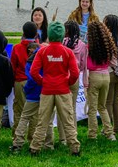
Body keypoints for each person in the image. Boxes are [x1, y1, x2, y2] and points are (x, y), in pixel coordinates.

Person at [28, 22, 81, 156]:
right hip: (63, 90)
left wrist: (43, 81)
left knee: (43, 121)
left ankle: (35, 147)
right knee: (68, 120)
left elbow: (34, 72)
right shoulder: (68, 52)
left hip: (47, 90)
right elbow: (75, 73)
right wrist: (67, 82)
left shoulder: (42, 51)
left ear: (49, 34)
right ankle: (74, 147)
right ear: (62, 35)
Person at [10, 42, 55, 152]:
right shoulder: (47, 57)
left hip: (32, 94)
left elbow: (31, 78)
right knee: (48, 119)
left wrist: (27, 90)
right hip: (47, 92)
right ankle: (49, 144)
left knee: (25, 117)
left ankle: (17, 143)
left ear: (30, 51)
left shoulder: (30, 62)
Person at [83, 20, 118, 141]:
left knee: (92, 109)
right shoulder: (107, 47)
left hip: (94, 76)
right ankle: (110, 133)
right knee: (102, 107)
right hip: (106, 76)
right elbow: (113, 63)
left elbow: (85, 65)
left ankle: (92, 134)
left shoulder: (89, 49)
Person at [59, 20, 88, 143]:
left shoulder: (62, 43)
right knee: (72, 108)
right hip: (75, 78)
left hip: (62, 77)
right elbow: (83, 65)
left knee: (61, 108)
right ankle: (73, 134)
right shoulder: (82, 45)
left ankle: (62, 138)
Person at [10, 21, 39, 141]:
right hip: (34, 81)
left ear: (23, 33)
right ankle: (32, 136)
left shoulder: (17, 48)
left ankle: (17, 136)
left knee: (19, 110)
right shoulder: (39, 49)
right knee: (34, 111)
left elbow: (12, 67)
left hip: (20, 81)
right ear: (36, 34)